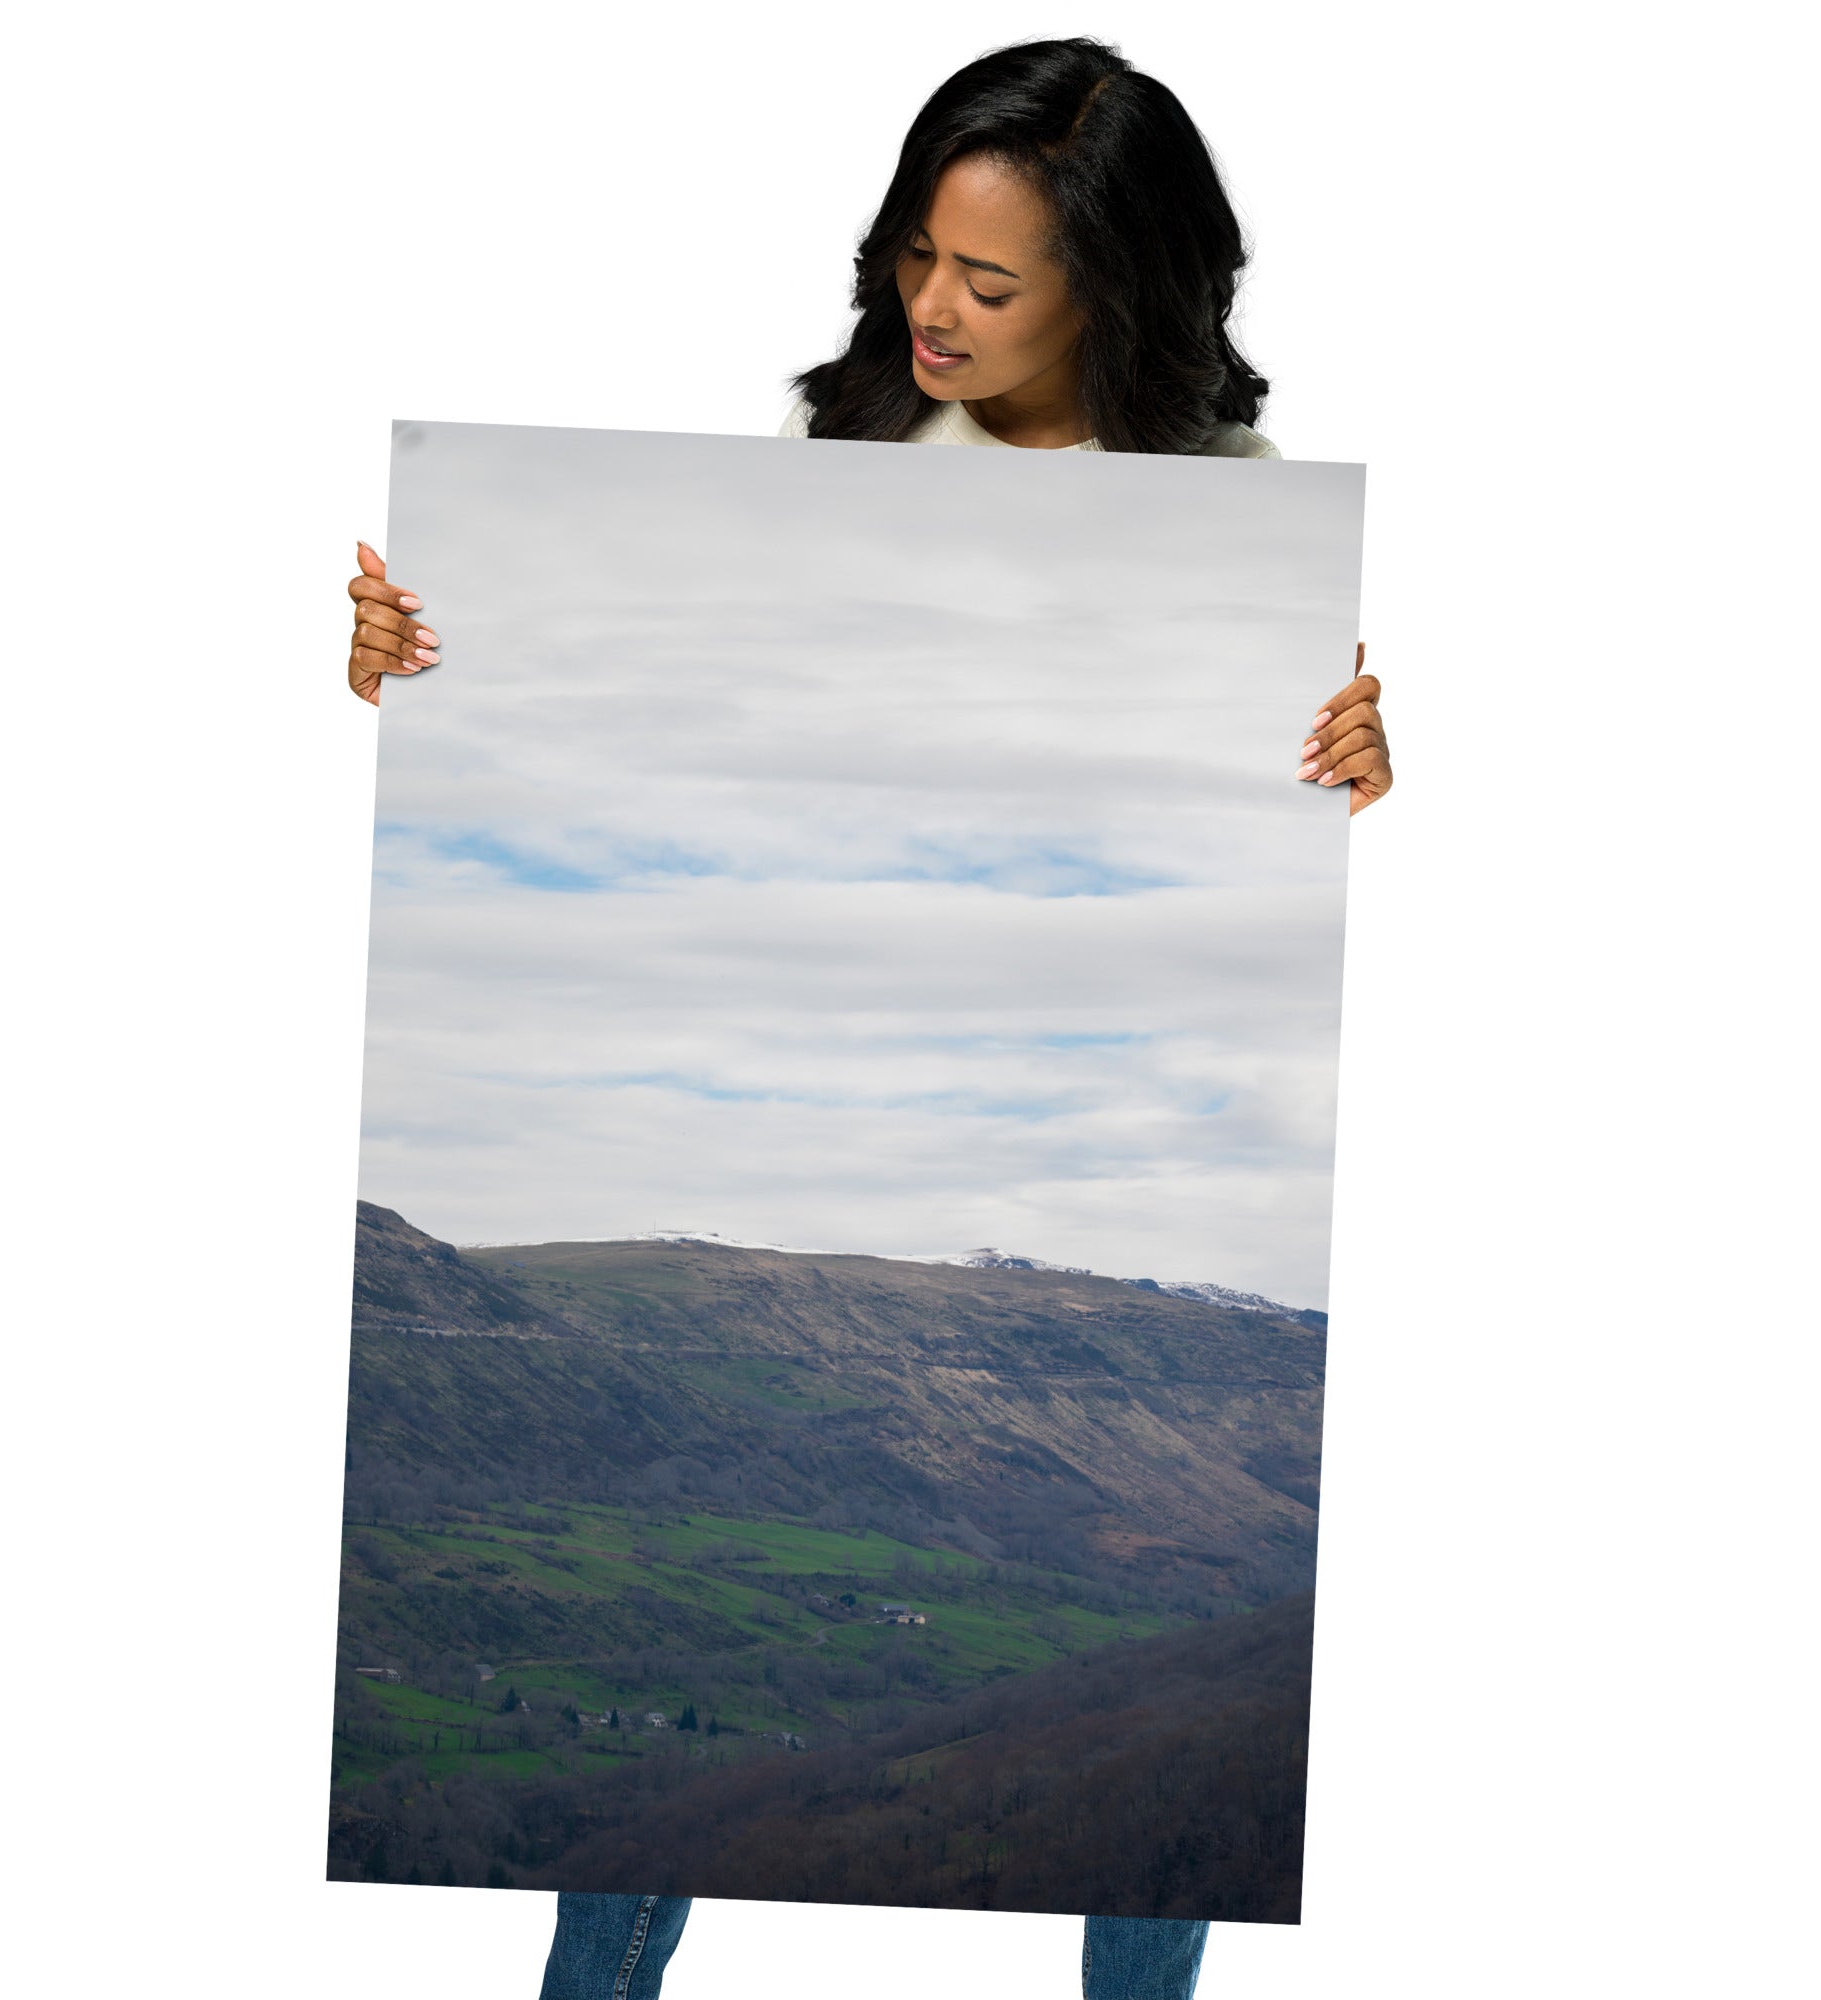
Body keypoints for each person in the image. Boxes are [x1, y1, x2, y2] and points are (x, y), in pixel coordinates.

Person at [342, 36, 1392, 2000]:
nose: (931, 306)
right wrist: (402, 665)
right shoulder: (836, 472)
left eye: (989, 283)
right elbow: (604, 743)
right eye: (919, 253)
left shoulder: (1265, 541)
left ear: (1121, 288)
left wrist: (1377, 767)